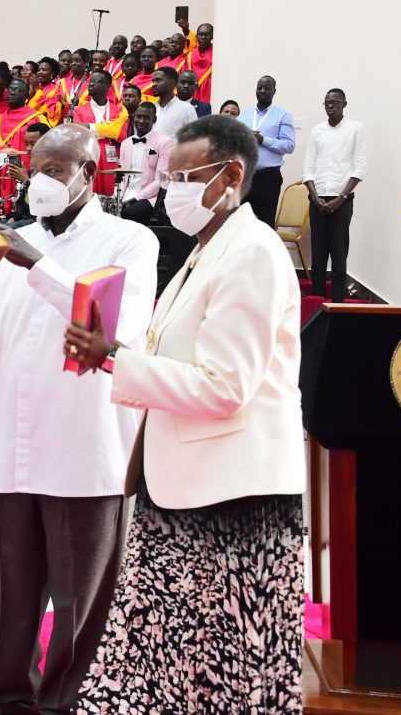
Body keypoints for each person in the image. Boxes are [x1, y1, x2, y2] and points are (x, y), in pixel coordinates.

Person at [66, 114, 306, 714]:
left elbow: (226, 387)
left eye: (183, 176)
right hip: (184, 489)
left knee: (224, 671)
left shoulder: (251, 254)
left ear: (230, 177)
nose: (170, 188)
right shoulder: (207, 252)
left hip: (232, 501)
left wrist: (115, 358)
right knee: (164, 661)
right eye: (168, 175)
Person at [0, 124, 157, 715]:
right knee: (14, 592)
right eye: (35, 169)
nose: (41, 182)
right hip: (14, 446)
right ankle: (11, 701)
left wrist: (34, 263)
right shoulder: (11, 241)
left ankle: (64, 705)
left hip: (84, 445)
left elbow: (110, 333)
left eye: (57, 170)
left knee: (79, 599)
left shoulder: (128, 241)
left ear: (90, 170)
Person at [303, 88, 366, 303]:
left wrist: (341, 198)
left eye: (335, 102)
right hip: (317, 199)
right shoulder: (317, 131)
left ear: (344, 104)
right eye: (327, 103)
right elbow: (308, 167)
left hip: (342, 200)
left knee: (339, 255)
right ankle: (317, 301)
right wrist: (314, 197)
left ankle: (339, 303)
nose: (330, 106)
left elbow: (359, 168)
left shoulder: (355, 129)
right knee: (318, 255)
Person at [0, 77, 42, 217]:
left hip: (21, 174)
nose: (12, 93)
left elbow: (45, 148)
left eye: (18, 90)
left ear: (26, 95)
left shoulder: (36, 118)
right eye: (10, 89)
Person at [238, 75, 295, 227]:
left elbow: (289, 145)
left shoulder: (283, 115)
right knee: (240, 224)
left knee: (265, 225)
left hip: (268, 178)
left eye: (267, 87)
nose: (262, 90)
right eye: (259, 87)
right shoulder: (244, 116)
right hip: (245, 177)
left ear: (274, 91)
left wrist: (263, 140)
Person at [71, 70, 128, 196]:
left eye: (96, 81)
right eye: (90, 81)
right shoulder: (78, 110)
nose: (90, 84)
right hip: (88, 157)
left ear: (108, 86)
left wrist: (89, 127)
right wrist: (108, 131)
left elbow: (121, 134)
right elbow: (80, 133)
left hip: (111, 159)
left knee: (110, 198)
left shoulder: (119, 110)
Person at [118, 102, 173, 224]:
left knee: (128, 213)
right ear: (134, 117)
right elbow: (122, 176)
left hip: (151, 197)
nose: (141, 121)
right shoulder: (126, 143)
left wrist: (135, 199)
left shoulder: (165, 143)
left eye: (147, 118)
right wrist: (118, 196)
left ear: (154, 119)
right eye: (139, 116)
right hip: (127, 193)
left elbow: (161, 181)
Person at [5, 122, 50, 227]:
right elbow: (22, 205)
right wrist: (13, 217)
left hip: (39, 223)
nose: (28, 148)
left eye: (33, 144)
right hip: (24, 220)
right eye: (26, 144)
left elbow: (43, 204)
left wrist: (26, 180)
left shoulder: (53, 171)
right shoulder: (32, 171)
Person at [152, 67, 197, 138]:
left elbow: (194, 140)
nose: (154, 84)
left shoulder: (186, 109)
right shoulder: (152, 108)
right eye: (153, 81)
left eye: (158, 80)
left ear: (171, 83)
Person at [28, 56, 67, 128]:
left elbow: (50, 110)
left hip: (44, 127)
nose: (40, 72)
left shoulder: (57, 89)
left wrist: (37, 90)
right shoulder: (34, 86)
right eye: (39, 70)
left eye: (44, 70)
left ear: (52, 73)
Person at [185, 23, 214, 104]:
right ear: (196, 36)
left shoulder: (216, 54)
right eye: (200, 34)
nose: (203, 37)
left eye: (207, 34)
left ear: (212, 36)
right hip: (191, 95)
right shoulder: (190, 56)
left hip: (209, 93)